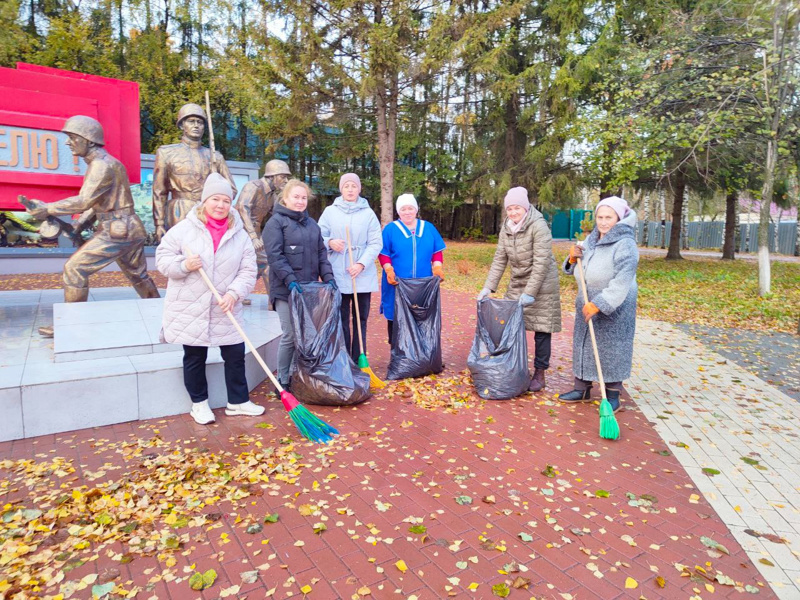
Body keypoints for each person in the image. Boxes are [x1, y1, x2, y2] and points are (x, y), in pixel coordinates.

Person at [23, 115, 160, 337]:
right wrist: (80, 225)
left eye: (72, 137)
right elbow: (99, 203)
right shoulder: (108, 163)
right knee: (138, 275)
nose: (68, 142)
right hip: (128, 227)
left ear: (88, 139)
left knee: (75, 268)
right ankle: (162, 316)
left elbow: (84, 200)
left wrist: (48, 208)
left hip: (117, 230)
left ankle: (71, 326)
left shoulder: (100, 166)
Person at [156, 173, 262, 425]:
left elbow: (248, 270)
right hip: (190, 306)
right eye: (215, 199)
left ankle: (237, 402)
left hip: (225, 305)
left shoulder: (239, 234)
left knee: (235, 353)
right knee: (194, 356)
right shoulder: (184, 229)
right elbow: (162, 258)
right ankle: (199, 403)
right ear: (204, 201)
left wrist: (234, 293)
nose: (220, 205)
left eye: (226, 200)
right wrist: (184, 264)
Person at [559, 195, 639, 412]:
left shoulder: (626, 244)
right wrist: (573, 259)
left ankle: (613, 395)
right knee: (584, 344)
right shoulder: (591, 239)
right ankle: (581, 388)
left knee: (612, 348)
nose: (603, 222)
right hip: (586, 299)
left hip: (615, 304)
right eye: (600, 217)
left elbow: (623, 280)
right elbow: (573, 268)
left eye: (609, 217)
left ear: (619, 218)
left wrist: (600, 304)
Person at [478, 187, 562, 392]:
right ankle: (514, 366)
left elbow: (541, 263)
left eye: (517, 208)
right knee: (509, 325)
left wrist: (531, 293)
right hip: (518, 281)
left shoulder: (539, 226)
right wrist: (488, 287)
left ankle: (540, 374)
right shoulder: (507, 228)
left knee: (541, 329)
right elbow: (500, 259)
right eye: (510, 208)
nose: (513, 212)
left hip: (542, 284)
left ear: (525, 207)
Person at [263, 179, 336, 387]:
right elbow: (275, 256)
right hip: (286, 290)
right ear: (285, 198)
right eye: (296, 197)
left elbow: (321, 254)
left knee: (304, 335)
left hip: (308, 291)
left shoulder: (312, 224)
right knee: (290, 335)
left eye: (303, 198)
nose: (300, 201)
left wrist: (329, 278)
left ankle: (298, 376)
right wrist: (290, 280)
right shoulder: (276, 223)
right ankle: (282, 380)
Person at [318, 173, 382, 362]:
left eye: (354, 186)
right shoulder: (330, 212)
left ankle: (359, 357)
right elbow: (317, 236)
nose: (350, 189)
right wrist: (330, 242)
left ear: (359, 189)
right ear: (341, 189)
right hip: (339, 270)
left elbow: (376, 243)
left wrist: (361, 263)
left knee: (360, 318)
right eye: (346, 186)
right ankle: (344, 358)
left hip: (361, 272)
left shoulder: (368, 213)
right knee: (342, 318)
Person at [152, 103, 237, 242]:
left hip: (207, 213)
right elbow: (159, 191)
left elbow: (231, 189)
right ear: (182, 125)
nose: (196, 125)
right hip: (178, 213)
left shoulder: (215, 156)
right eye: (191, 121)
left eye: (200, 122)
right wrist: (159, 223)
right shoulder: (166, 153)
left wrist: (214, 194)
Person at [379, 193, 446, 343]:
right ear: (398, 211)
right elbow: (383, 253)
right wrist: (389, 270)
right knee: (396, 317)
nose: (407, 212)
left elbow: (437, 252)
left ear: (416, 209)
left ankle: (424, 354)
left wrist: (437, 268)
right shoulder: (390, 229)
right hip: (397, 283)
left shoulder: (428, 228)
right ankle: (398, 353)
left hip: (423, 284)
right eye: (403, 209)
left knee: (422, 317)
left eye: (410, 208)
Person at [237, 159, 292, 303]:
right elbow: (243, 209)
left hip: (254, 232)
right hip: (239, 232)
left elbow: (276, 216)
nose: (286, 180)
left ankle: (243, 294)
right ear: (271, 176)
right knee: (264, 261)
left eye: (287, 177)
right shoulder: (253, 186)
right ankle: (272, 300)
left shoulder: (272, 195)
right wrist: (254, 237)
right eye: (282, 176)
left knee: (259, 263)